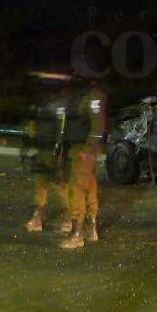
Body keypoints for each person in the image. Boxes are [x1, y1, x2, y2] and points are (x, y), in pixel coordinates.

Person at [60, 77, 108, 250]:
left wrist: (87, 149)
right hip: (78, 148)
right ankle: (90, 227)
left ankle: (78, 232)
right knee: (88, 185)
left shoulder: (93, 96)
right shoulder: (81, 95)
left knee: (77, 188)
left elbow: (98, 127)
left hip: (84, 150)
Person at [23, 76, 73, 234]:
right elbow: (33, 129)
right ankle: (37, 218)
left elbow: (63, 130)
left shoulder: (62, 105)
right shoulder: (42, 105)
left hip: (55, 152)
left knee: (61, 186)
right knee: (41, 185)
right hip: (42, 150)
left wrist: (59, 152)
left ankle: (70, 218)